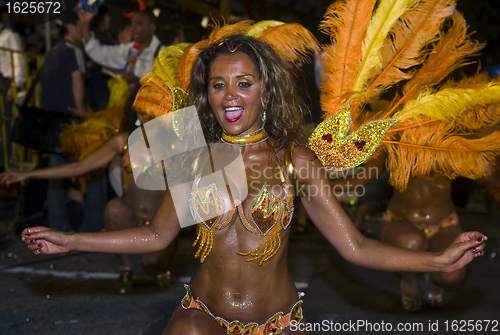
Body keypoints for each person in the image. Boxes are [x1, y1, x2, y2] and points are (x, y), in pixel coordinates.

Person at [16, 34, 487, 334]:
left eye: (244, 82)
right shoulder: (196, 156)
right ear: (208, 94)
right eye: (218, 85)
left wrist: (434, 259)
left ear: (267, 90)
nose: (230, 95)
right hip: (203, 316)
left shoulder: (294, 160)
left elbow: (355, 247)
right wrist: (71, 239)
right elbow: (158, 235)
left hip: (278, 321)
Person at [1, 92, 177, 294]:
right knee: (114, 208)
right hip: (129, 213)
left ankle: (164, 260)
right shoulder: (124, 141)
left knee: (152, 263)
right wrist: (28, 174)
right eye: (142, 109)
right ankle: (126, 268)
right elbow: (78, 167)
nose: (146, 115)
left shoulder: (175, 145)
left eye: (152, 109)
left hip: (158, 220)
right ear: (135, 110)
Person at [40, 10, 107, 233]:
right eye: (81, 26)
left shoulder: (50, 53)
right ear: (71, 27)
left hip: (54, 123)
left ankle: (58, 225)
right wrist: (81, 110)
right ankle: (93, 225)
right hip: (74, 123)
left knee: (57, 175)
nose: (84, 31)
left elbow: (41, 88)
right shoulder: (74, 50)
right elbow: (77, 80)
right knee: (93, 170)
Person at [79, 9, 164, 86]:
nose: (133, 28)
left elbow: (165, 88)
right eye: (132, 23)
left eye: (139, 23)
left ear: (152, 28)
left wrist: (136, 80)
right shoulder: (129, 49)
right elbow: (99, 53)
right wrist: (85, 24)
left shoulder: (163, 54)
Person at [0, 5, 26, 170]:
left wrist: (15, 85)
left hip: (5, 83)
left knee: (4, 123)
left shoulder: (9, 36)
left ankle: (4, 161)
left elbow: (18, 60)